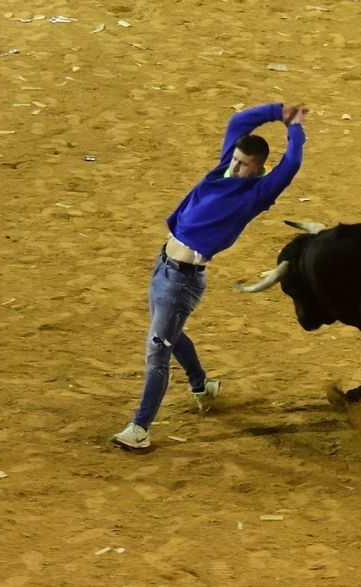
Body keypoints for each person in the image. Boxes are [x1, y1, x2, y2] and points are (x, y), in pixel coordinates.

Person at [112, 102, 308, 449]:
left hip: (182, 281)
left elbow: (291, 162)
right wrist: (278, 111)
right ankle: (202, 386)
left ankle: (140, 429)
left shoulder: (258, 192)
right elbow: (238, 121)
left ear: (260, 167)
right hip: (162, 268)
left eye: (243, 164)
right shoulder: (225, 169)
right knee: (169, 335)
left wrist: (294, 126)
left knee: (157, 352)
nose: (234, 166)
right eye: (235, 159)